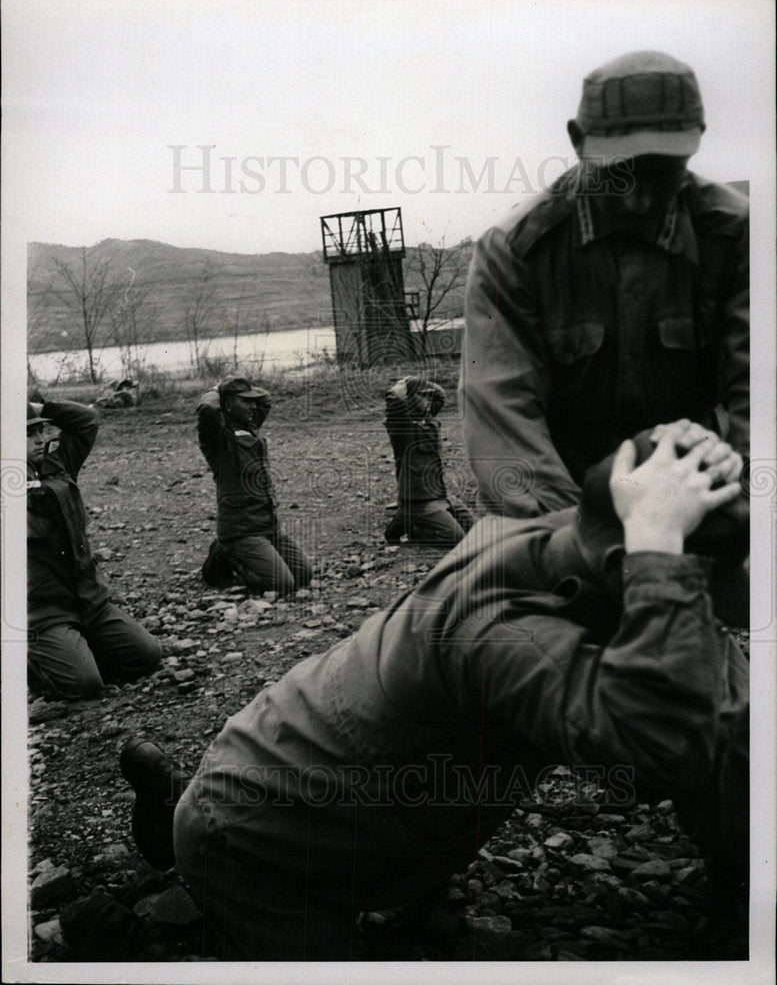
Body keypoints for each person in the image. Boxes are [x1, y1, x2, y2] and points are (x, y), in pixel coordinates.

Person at [121, 419, 748, 960]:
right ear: (631, 563)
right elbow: (669, 743)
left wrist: (681, 463)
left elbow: (725, 724)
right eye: (725, 571)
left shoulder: (569, 535)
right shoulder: (499, 631)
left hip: (337, 785)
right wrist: (666, 555)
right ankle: (174, 824)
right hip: (256, 838)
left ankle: (180, 816)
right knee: (216, 863)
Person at [460, 50, 749, 518]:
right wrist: (583, 543)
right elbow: (504, 423)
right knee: (471, 590)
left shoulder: (736, 236)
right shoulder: (515, 251)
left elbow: (759, 401)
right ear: (577, 141)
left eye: (662, 172)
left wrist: (742, 518)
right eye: (617, 172)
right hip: (555, 505)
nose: (639, 202)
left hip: (692, 492)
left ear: (697, 143)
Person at [27, 400, 162, 700]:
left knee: (148, 655)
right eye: (28, 435)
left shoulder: (58, 461)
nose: (40, 440)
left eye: (40, 430)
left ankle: (76, 650)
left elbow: (87, 420)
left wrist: (40, 404)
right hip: (43, 612)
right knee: (84, 686)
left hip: (89, 599)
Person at [197, 375, 312, 595]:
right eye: (245, 401)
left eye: (252, 401)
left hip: (267, 525)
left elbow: (265, 399)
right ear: (228, 404)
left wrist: (240, 388)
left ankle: (232, 551)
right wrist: (216, 389)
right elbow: (208, 410)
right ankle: (226, 554)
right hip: (241, 529)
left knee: (304, 574)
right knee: (283, 585)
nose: (253, 406)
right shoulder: (218, 437)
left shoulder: (249, 425)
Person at [383, 375, 475, 545]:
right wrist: (403, 384)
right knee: (458, 539)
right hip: (419, 500)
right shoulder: (400, 428)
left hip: (440, 494)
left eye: (428, 396)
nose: (427, 400)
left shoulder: (430, 423)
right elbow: (395, 398)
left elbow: (440, 396)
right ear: (409, 400)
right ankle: (415, 527)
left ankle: (407, 518)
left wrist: (421, 382)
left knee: (475, 529)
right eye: (421, 395)